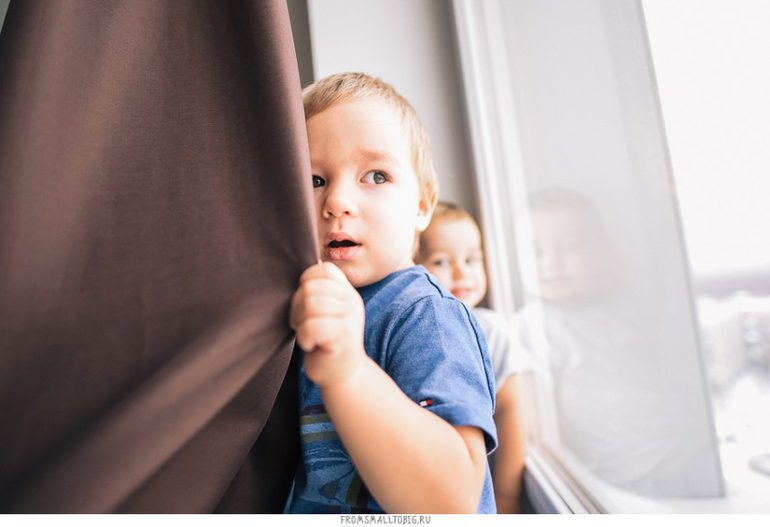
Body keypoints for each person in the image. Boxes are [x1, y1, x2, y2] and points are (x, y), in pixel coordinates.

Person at [288, 73, 497, 514]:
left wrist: (348, 371)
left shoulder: (425, 315)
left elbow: (452, 503)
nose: (337, 201)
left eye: (376, 176)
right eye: (314, 180)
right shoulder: (300, 302)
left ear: (422, 205)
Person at [416, 202, 528, 514]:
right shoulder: (415, 329)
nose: (461, 273)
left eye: (471, 260)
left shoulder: (492, 329)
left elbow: (510, 409)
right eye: (441, 261)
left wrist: (507, 496)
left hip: (478, 489)